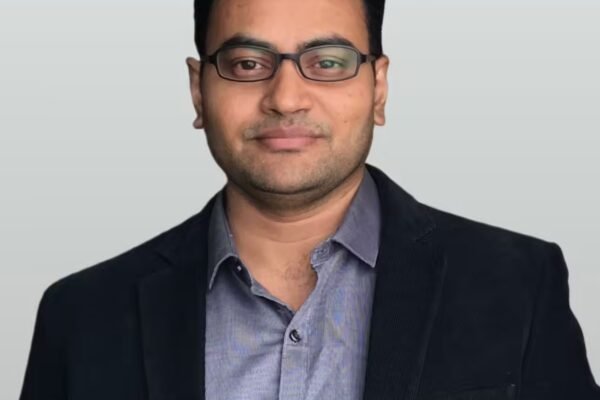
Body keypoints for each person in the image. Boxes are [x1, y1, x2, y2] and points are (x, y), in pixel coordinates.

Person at [19, 0, 600, 399]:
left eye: (327, 62)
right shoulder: (83, 316)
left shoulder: (518, 286)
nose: (286, 97)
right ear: (198, 90)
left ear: (379, 87)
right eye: (248, 64)